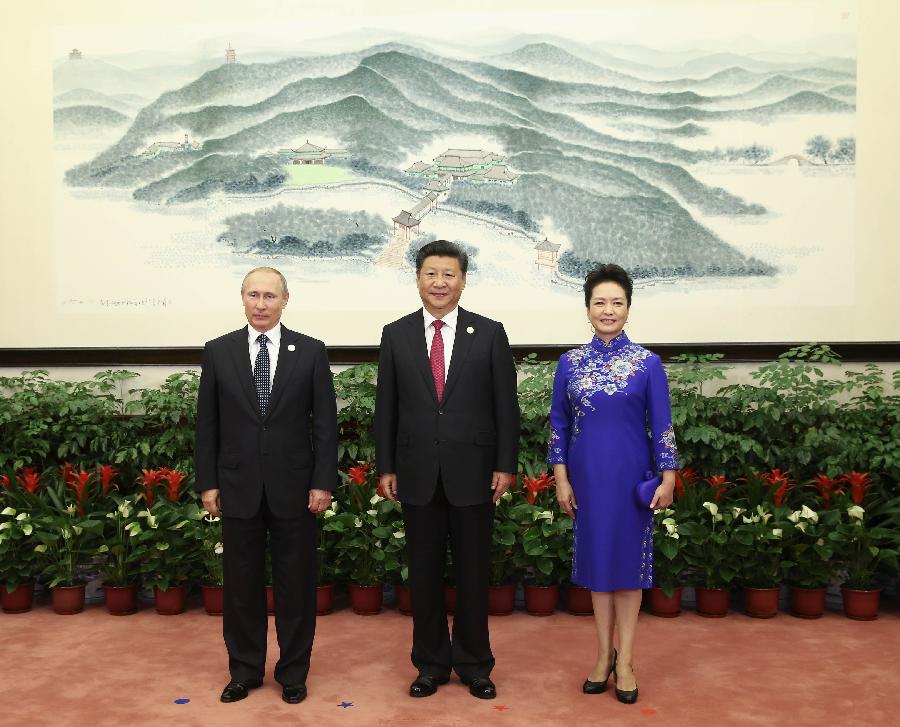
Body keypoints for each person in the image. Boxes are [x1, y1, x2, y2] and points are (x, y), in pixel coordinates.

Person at [375, 240, 520, 700]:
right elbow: (387, 409)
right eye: (431, 274)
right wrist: (387, 466)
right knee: (423, 574)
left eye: (449, 274)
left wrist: (505, 464)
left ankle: (476, 664)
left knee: (475, 574)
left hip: (476, 472)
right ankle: (431, 664)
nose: (440, 282)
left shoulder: (490, 332)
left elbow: (506, 408)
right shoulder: (395, 334)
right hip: (417, 471)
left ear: (463, 280)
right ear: (417, 279)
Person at [194, 266, 337, 705]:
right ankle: (244, 672)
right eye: (253, 295)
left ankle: (293, 673)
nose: (261, 304)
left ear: (285, 300)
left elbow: (326, 426)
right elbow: (208, 425)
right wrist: (208, 483)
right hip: (237, 488)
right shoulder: (218, 351)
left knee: (296, 586)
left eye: (269, 296)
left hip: (296, 489)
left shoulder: (310, 351)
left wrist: (322, 482)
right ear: (242, 298)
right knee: (240, 588)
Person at [548, 263, 679, 705]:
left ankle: (626, 661)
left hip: (630, 481)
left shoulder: (647, 363)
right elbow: (558, 427)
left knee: (628, 571)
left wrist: (670, 477)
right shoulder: (569, 363)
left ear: (628, 308)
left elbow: (662, 425)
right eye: (600, 303)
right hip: (586, 481)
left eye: (617, 303)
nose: (608, 310)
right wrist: (561, 479)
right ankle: (603, 655)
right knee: (598, 571)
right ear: (587, 308)